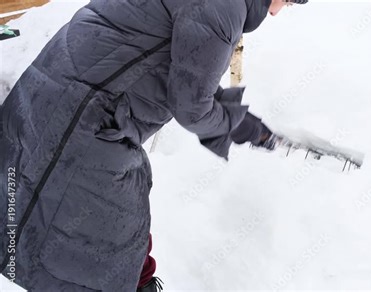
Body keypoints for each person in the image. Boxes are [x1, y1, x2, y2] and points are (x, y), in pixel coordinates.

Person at [0, 0, 308, 291]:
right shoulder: (223, 6)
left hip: (48, 95)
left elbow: (188, 70)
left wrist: (241, 124)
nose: (277, 12)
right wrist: (236, 124)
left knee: (65, 218)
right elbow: (192, 108)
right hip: (84, 119)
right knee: (103, 236)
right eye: (289, 1)